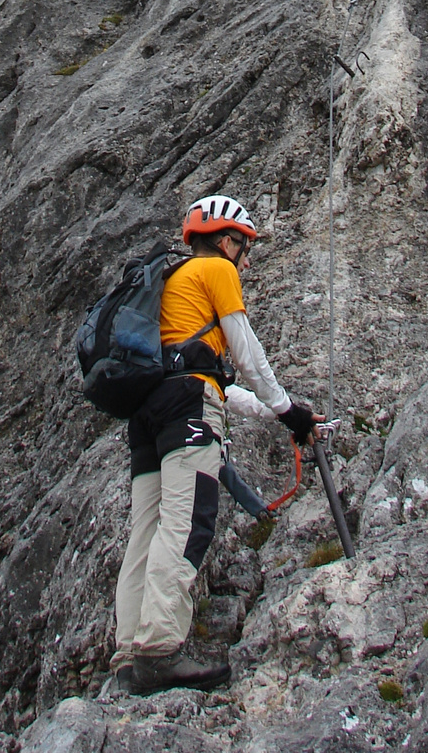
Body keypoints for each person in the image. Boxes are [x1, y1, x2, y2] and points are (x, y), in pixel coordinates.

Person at [110, 195, 322, 694]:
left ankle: (128, 656)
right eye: (244, 249)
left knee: (146, 529)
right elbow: (246, 354)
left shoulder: (172, 282)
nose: (246, 261)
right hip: (187, 405)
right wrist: (289, 408)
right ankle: (159, 652)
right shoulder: (216, 271)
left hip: (149, 410)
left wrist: (278, 412)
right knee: (188, 520)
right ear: (227, 240)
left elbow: (222, 386)